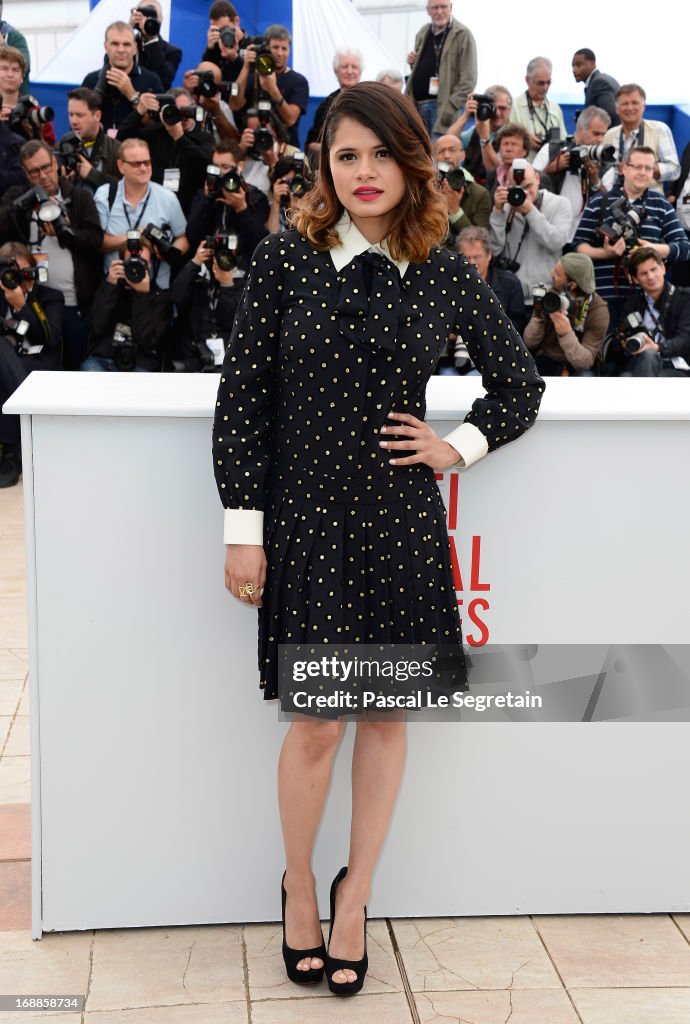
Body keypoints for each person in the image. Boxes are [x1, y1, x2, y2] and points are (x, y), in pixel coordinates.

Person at [212, 82, 543, 997]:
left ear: (414, 162)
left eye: (382, 155)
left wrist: (456, 447)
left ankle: (358, 896)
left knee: (386, 718)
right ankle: (302, 889)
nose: (364, 173)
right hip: (307, 524)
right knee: (319, 722)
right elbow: (243, 401)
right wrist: (245, 529)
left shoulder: (440, 266)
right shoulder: (287, 258)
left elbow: (518, 386)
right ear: (325, 164)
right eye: (346, 155)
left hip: (399, 524)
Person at [0, 139, 104, 369]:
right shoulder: (17, 195)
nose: (43, 176)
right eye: (35, 171)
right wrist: (23, 205)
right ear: (26, 174)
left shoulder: (78, 197)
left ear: (55, 163)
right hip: (30, 301)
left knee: (74, 368)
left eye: (46, 167)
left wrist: (66, 233)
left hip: (72, 303)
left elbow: (96, 241)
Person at [572, 146, 690, 326]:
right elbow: (577, 247)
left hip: (648, 299)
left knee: (644, 351)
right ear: (624, 169)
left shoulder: (661, 205)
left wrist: (655, 249)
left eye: (648, 168)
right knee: (604, 351)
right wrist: (606, 254)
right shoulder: (600, 202)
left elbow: (684, 248)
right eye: (637, 167)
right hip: (604, 298)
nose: (643, 173)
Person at [0, 242, 64, 486]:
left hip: (38, 366)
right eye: (11, 273)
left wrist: (21, 306)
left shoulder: (50, 297)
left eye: (24, 272)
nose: (17, 278)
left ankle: (11, 453)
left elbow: (51, 339)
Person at [94, 137, 188, 290]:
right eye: (136, 164)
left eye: (147, 162)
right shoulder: (105, 196)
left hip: (155, 289)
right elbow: (97, 242)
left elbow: (182, 237)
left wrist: (168, 252)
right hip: (116, 286)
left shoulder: (167, 198)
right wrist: (137, 237)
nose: (144, 168)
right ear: (120, 165)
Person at [489, 159, 573, 308]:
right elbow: (494, 249)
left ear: (538, 178)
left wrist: (530, 211)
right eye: (518, 187)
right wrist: (497, 212)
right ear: (507, 185)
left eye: (528, 186)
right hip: (513, 296)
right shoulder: (506, 208)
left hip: (547, 294)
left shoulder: (560, 204)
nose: (524, 193)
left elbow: (555, 242)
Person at [523, 253, 609, 375]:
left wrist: (566, 333)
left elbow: (585, 362)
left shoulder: (598, 310)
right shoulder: (550, 296)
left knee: (585, 377)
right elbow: (529, 343)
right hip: (546, 357)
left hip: (575, 366)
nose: (552, 273)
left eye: (557, 274)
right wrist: (539, 316)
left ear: (571, 285)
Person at [405, 0, 477, 139]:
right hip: (417, 106)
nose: (439, 11)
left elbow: (469, 79)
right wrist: (413, 63)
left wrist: (450, 107)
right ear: (428, 10)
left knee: (438, 156)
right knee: (419, 156)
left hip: (442, 108)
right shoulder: (423, 32)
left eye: (443, 7)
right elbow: (427, 66)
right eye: (435, 7)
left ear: (451, 8)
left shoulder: (462, 34)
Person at [616, 246, 690, 377]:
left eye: (654, 269)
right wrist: (624, 344)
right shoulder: (631, 304)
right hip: (639, 363)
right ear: (635, 279)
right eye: (644, 273)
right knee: (624, 377)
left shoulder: (685, 298)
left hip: (676, 366)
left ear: (663, 268)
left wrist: (657, 348)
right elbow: (622, 341)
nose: (650, 276)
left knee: (649, 355)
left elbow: (685, 339)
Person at [232, 25, 309, 149]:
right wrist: (246, 67)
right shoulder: (252, 76)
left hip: (285, 150)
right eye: (275, 48)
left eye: (284, 48)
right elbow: (235, 105)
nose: (280, 53)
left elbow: (290, 119)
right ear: (266, 48)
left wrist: (272, 89)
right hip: (252, 146)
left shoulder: (298, 81)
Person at [533, 106, 611, 221]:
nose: (600, 140)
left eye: (603, 134)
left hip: (584, 229)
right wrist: (551, 169)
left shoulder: (604, 159)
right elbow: (530, 184)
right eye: (596, 134)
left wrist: (595, 179)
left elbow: (608, 201)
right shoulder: (552, 149)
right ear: (580, 129)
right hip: (550, 223)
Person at [82, 22, 163, 132]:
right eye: (115, 44)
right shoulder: (91, 80)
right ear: (106, 47)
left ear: (135, 48)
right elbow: (81, 124)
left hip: (137, 147)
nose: (121, 50)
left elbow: (155, 126)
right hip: (101, 147)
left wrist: (131, 94)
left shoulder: (151, 80)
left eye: (126, 44)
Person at [600, 84, 679, 195]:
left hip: (650, 201)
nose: (630, 108)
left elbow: (674, 170)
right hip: (615, 200)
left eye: (635, 103)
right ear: (617, 109)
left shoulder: (659, 130)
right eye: (625, 104)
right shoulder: (610, 134)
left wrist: (643, 168)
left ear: (643, 106)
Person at [59, 87, 121, 194]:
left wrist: (92, 175)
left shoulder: (117, 149)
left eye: (80, 115)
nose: (73, 121)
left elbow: (127, 188)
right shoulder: (65, 144)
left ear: (97, 116)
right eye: (71, 114)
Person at [447, 85, 512, 184]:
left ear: (510, 109)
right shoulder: (476, 130)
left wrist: (484, 138)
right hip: (469, 187)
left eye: (502, 108)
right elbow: (449, 141)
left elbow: (495, 170)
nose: (497, 113)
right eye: (493, 108)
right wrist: (466, 115)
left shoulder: (513, 135)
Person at [305, 49, 362, 153]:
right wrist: (335, 150)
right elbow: (311, 144)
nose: (349, 71)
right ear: (336, 72)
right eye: (345, 67)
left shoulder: (369, 101)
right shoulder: (326, 105)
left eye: (354, 67)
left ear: (360, 72)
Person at [511, 57, 566, 161]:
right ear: (527, 80)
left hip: (552, 169)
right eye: (541, 83)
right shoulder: (513, 106)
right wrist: (524, 139)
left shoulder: (555, 108)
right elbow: (505, 141)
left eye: (548, 82)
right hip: (524, 170)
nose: (545, 87)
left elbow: (563, 141)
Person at [434, 134, 490, 235]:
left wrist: (455, 210)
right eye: (441, 151)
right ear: (435, 157)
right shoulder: (425, 188)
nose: (446, 155)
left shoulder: (480, 194)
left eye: (452, 150)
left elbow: (480, 242)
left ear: (463, 155)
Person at [129, 0, 181, 91]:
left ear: (160, 20)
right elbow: (110, 66)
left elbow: (164, 79)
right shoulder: (126, 44)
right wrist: (128, 29)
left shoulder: (172, 51)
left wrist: (151, 39)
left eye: (153, 16)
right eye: (143, 14)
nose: (147, 19)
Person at [571, 49, 619, 127]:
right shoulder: (597, 81)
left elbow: (609, 117)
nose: (574, 70)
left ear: (592, 64)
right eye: (573, 66)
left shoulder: (599, 83)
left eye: (579, 65)